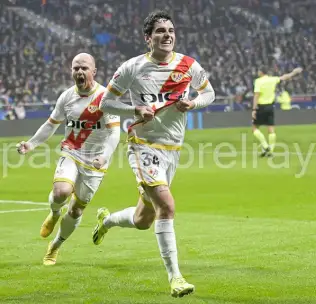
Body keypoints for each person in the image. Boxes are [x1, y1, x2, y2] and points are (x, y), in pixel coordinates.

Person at [92, 10, 215, 298]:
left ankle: (106, 220)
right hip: (142, 145)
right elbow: (106, 103)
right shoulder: (132, 67)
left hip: (173, 149)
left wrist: (193, 103)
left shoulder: (189, 65)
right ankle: (176, 278)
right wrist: (135, 110)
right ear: (148, 38)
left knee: (143, 219)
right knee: (167, 207)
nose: (167, 35)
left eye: (171, 30)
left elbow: (209, 93)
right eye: (160, 31)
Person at [16, 53, 121, 266]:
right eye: (76, 68)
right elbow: (51, 124)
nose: (79, 72)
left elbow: (115, 133)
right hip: (71, 152)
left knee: (76, 210)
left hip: (95, 162)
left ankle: (55, 246)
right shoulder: (66, 96)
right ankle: (54, 213)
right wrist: (31, 144)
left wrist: (104, 156)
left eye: (84, 68)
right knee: (61, 191)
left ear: (94, 72)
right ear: (71, 71)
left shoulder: (106, 98)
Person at [252, 66, 302, 157]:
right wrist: (294, 72)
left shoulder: (258, 81)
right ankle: (270, 150)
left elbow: (256, 95)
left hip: (261, 106)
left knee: (255, 128)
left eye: (258, 71)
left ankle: (265, 146)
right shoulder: (272, 79)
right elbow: (284, 77)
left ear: (261, 72)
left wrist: (254, 109)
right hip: (270, 106)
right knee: (271, 129)